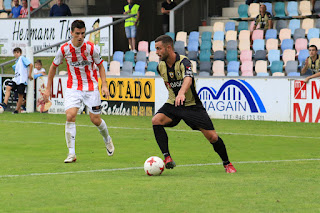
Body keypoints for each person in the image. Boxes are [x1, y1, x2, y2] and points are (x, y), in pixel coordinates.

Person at [152, 35, 237, 173]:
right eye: (156, 49)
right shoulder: (160, 66)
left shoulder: (185, 62)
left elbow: (188, 79)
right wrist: (175, 96)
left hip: (192, 106)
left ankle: (227, 163)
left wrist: (181, 92)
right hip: (173, 104)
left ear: (168, 48)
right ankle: (167, 157)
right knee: (156, 120)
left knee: (213, 137)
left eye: (158, 49)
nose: (156, 52)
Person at [43, 20, 115, 163]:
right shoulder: (64, 49)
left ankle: (107, 139)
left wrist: (104, 85)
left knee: (95, 120)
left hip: (91, 87)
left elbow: (101, 66)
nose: (80, 36)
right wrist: (47, 89)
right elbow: (52, 68)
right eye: (77, 33)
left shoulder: (91, 48)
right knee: (70, 116)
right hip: (73, 87)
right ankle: (71, 153)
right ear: (71, 33)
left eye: (83, 33)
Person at [0, 47, 33, 114]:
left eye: (17, 52)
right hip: (16, 79)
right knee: (8, 87)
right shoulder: (16, 62)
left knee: (20, 95)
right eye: (15, 53)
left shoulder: (22, 58)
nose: (16, 54)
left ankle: (17, 110)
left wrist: (29, 74)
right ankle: (5, 104)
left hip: (22, 80)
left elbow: (31, 64)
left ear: (20, 53)